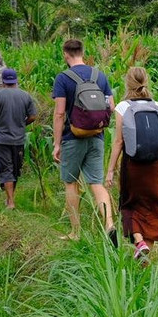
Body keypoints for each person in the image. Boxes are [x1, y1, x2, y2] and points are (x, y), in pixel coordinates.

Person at [105, 66, 158, 261]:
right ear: (146, 81)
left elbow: (119, 142)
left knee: (130, 204)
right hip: (154, 165)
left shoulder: (123, 107)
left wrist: (110, 171)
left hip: (132, 165)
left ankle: (138, 241)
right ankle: (145, 257)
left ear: (128, 83)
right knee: (154, 206)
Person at [52, 39, 115, 241]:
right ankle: (110, 225)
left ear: (65, 54)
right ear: (82, 52)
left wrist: (56, 143)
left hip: (73, 137)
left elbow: (60, 113)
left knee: (71, 182)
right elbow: (111, 107)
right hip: (97, 136)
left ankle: (76, 232)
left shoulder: (63, 78)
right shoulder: (100, 75)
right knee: (96, 183)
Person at [0, 68, 37, 209]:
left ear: (3, 81)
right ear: (16, 80)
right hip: (19, 139)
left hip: (2, 140)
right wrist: (23, 123)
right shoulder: (25, 96)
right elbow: (33, 116)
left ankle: (10, 202)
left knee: (6, 169)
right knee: (15, 169)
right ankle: (11, 199)